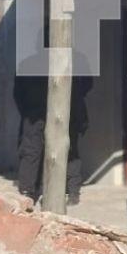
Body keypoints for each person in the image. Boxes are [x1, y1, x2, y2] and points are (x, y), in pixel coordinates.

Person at [13, 62, 91, 205]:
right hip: (42, 111)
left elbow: (18, 93)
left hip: (58, 109)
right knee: (37, 150)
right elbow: (86, 85)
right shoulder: (29, 63)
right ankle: (31, 191)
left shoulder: (74, 61)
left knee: (67, 149)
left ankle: (31, 191)